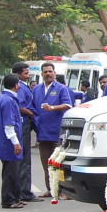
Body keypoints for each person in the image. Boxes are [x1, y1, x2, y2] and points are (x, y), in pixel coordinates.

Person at [32, 61, 72, 198]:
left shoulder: (61, 88)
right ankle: (51, 189)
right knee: (46, 163)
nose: (48, 74)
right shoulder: (36, 89)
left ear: (54, 73)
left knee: (59, 162)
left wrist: (53, 108)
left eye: (50, 71)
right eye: (45, 72)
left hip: (56, 132)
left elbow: (68, 104)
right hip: (42, 132)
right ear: (41, 74)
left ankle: (64, 191)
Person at [0, 74, 24, 208]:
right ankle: (9, 200)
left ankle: (16, 196)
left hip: (4, 141)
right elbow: (9, 125)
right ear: (16, 85)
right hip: (8, 142)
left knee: (11, 170)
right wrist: (16, 143)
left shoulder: (2, 97)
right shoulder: (8, 100)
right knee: (10, 172)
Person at [12, 62, 40, 203]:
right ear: (18, 74)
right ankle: (25, 192)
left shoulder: (22, 86)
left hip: (23, 123)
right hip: (23, 124)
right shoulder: (20, 88)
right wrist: (31, 114)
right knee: (24, 161)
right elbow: (20, 106)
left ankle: (21, 190)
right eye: (25, 73)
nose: (28, 76)